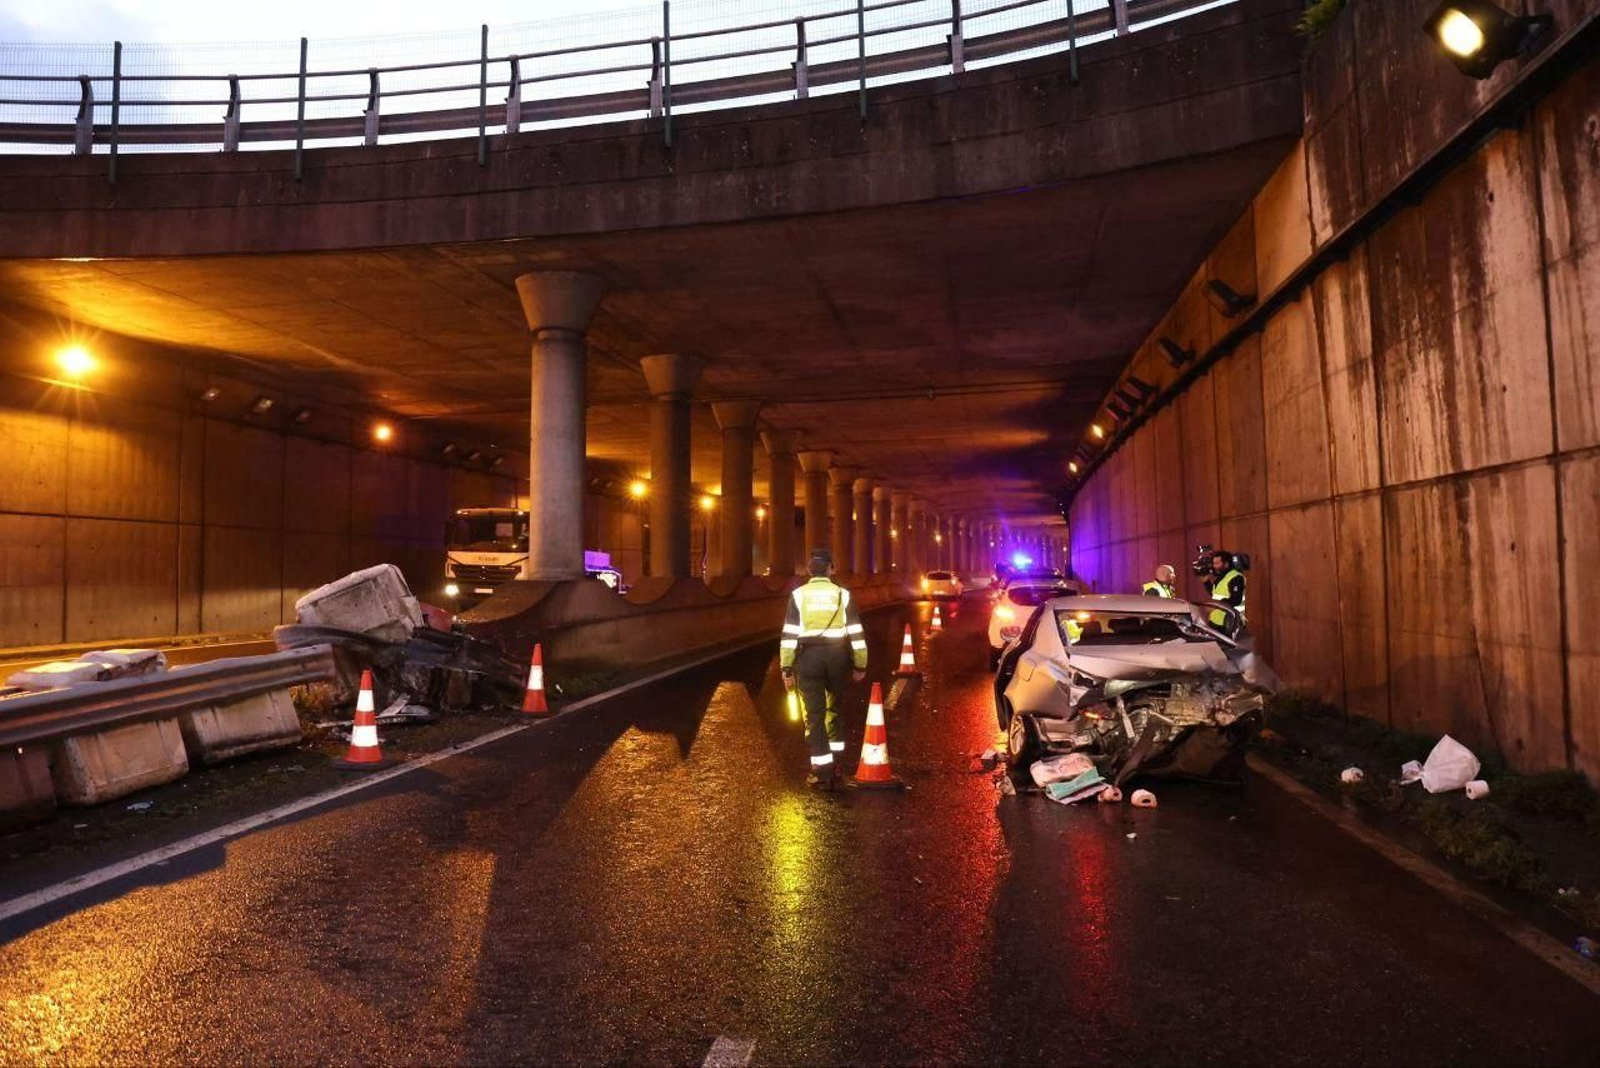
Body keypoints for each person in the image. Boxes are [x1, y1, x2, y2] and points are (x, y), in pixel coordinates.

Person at [780, 549, 869, 789]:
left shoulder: (798, 595)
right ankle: (836, 764)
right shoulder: (843, 595)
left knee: (814, 715)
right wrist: (860, 664)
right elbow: (856, 634)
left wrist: (786, 667)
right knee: (835, 710)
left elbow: (789, 635)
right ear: (831, 569)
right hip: (838, 658)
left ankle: (822, 772)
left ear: (809, 570)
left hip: (808, 658)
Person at [1205, 551, 1247, 629]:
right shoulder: (1221, 577)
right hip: (1215, 620)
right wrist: (1206, 582)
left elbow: (1236, 600)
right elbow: (1216, 594)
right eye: (1214, 563)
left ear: (1226, 564)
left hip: (1229, 622)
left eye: (1217, 563)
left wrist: (1216, 606)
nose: (1214, 566)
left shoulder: (1236, 577)